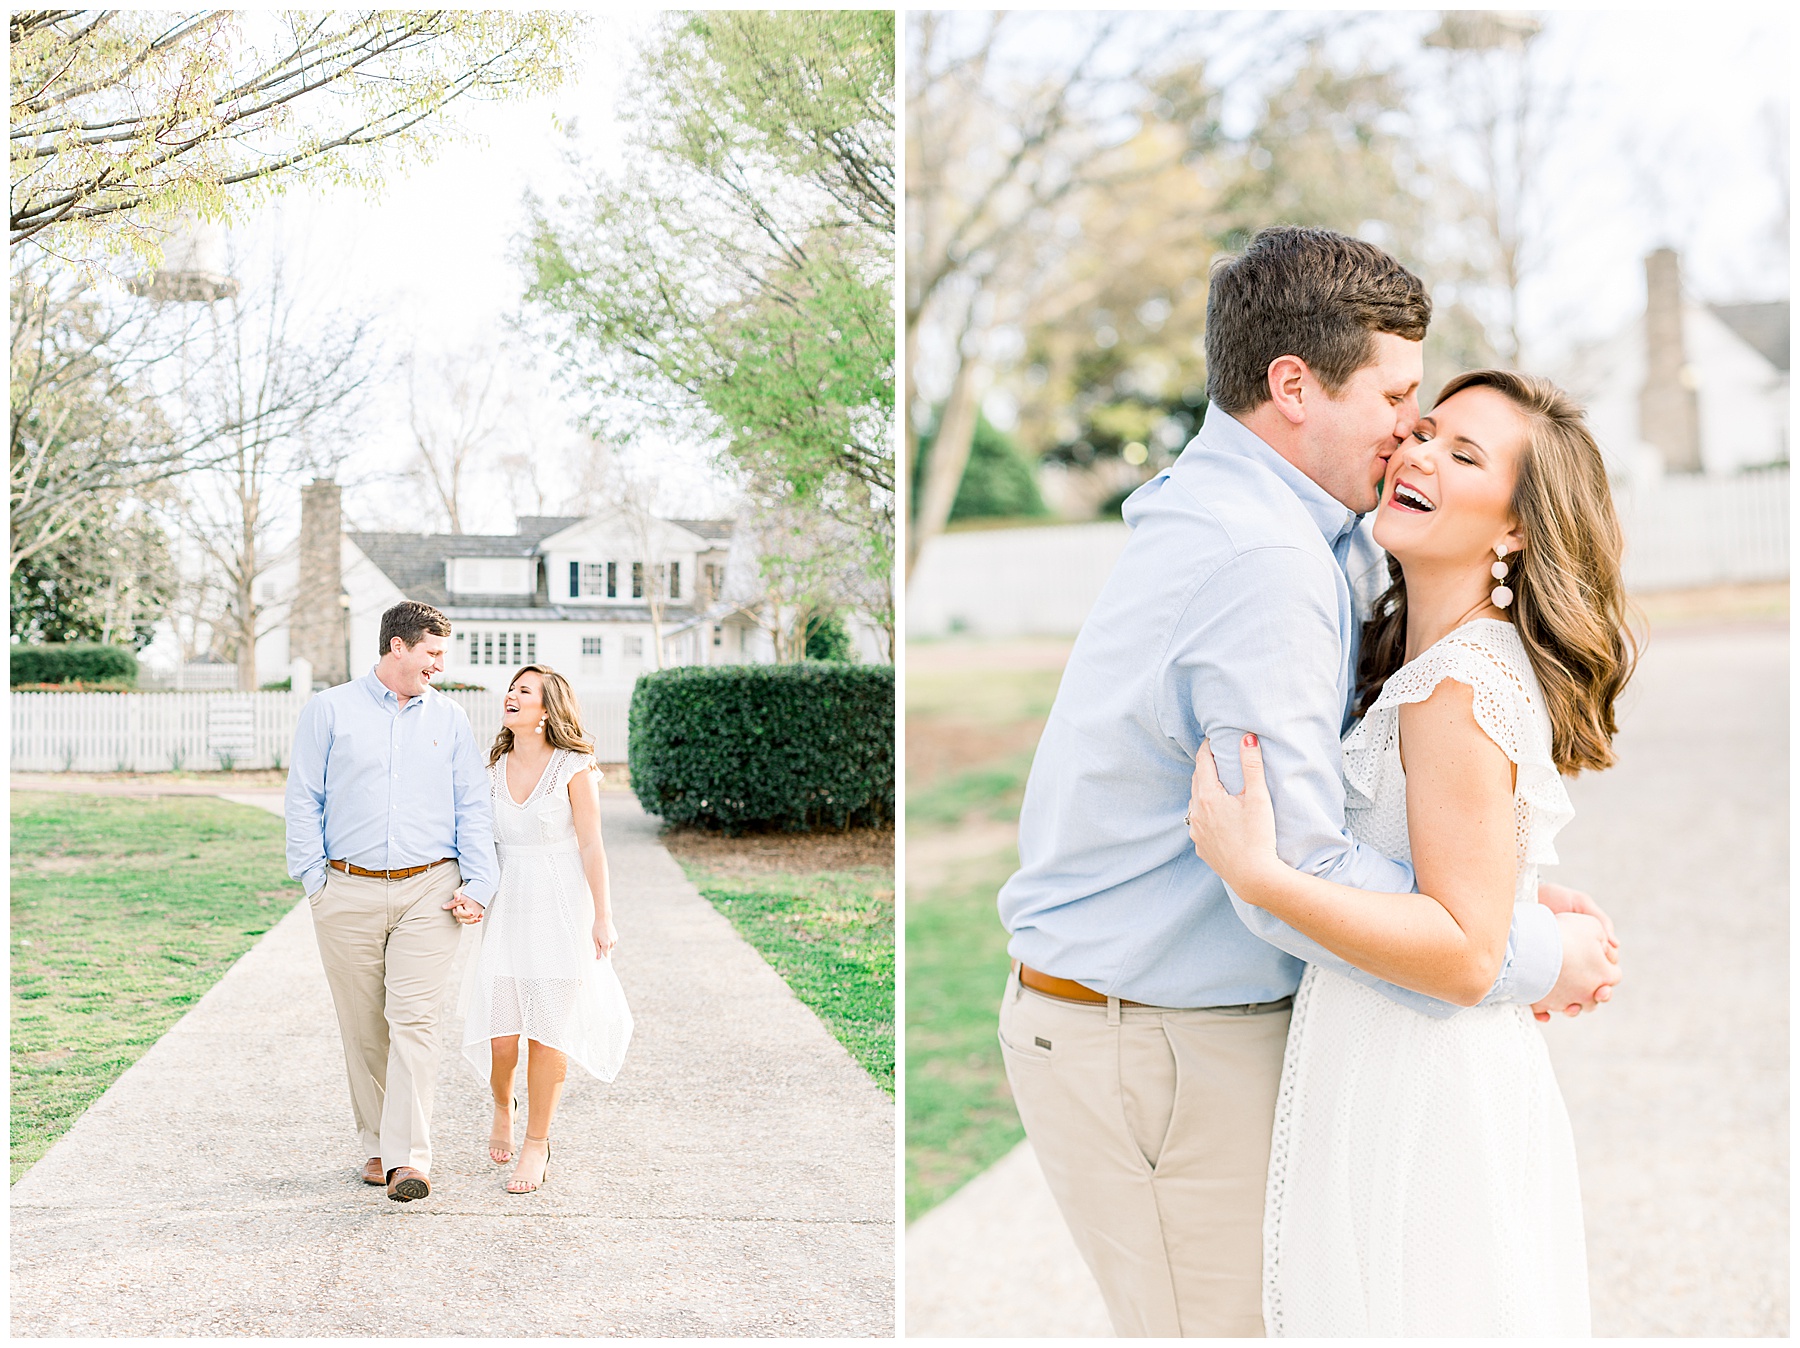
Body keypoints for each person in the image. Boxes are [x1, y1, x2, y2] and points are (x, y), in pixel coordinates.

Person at [994, 226, 1622, 1336]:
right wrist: (1528, 950)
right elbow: (1283, 864)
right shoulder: (1267, 558)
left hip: (1197, 1026)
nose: (1407, 439)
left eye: (1439, 430)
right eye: (1400, 403)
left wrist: (1492, 902)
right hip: (1160, 1040)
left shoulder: (1282, 529)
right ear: (1294, 385)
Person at [1188, 367, 1632, 1334]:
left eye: (1464, 453)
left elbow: (1467, 953)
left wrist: (1259, 874)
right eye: (1424, 432)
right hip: (1393, 1055)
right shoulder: (1428, 664)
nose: (1419, 454)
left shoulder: (1455, 689)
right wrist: (1528, 907)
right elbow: (1466, 891)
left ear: (1515, 528)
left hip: (1425, 1086)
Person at [285, 600, 497, 1203]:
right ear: (397, 647)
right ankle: (377, 1143)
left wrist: (479, 883)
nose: (439, 664)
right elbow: (304, 799)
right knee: (363, 1027)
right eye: (431, 652)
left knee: (415, 1022)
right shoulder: (329, 711)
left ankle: (409, 1160)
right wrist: (314, 881)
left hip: (430, 888)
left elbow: (471, 806)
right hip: (344, 889)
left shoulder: (451, 718)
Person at [459, 664, 632, 1194]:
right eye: (510, 689)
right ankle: (500, 1103)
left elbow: (591, 845)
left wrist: (603, 915)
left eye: (524, 690)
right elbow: (473, 841)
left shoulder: (573, 767)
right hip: (508, 908)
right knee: (503, 1037)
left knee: (547, 1033)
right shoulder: (488, 769)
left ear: (546, 709)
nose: (511, 695)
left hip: (559, 909)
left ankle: (538, 1142)